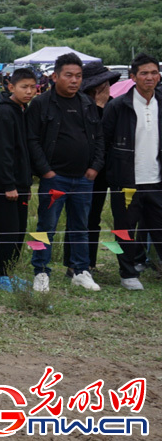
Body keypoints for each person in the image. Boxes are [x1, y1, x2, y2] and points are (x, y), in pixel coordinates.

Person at [26, 53, 104, 292]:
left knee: (80, 226)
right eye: (68, 75)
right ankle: (40, 272)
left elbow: (99, 138)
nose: (74, 81)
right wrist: (46, 172)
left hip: (83, 178)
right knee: (45, 227)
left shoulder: (87, 103)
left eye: (78, 76)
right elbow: (32, 140)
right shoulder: (41, 103)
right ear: (55, 76)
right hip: (54, 178)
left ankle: (81, 270)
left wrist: (94, 168)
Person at [102, 53, 162, 291]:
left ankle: (149, 264)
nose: (150, 77)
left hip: (157, 179)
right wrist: (112, 175)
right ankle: (127, 273)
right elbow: (104, 142)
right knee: (124, 228)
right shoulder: (118, 106)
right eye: (144, 73)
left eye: (154, 72)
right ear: (133, 77)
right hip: (126, 180)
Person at [63, 62, 121, 275]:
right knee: (78, 217)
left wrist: (104, 106)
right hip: (82, 168)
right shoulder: (79, 104)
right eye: (103, 84)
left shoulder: (113, 105)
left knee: (94, 217)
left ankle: (89, 262)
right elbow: (91, 135)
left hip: (106, 169)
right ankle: (72, 263)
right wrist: (98, 107)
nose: (107, 88)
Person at [0, 68, 38, 292]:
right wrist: (8, 185)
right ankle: (1, 275)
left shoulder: (22, 109)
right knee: (7, 232)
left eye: (32, 87)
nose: (29, 91)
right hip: (6, 186)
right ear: (11, 87)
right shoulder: (4, 112)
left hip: (21, 184)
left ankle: (10, 272)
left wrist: (25, 182)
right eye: (24, 87)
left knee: (19, 231)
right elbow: (3, 151)